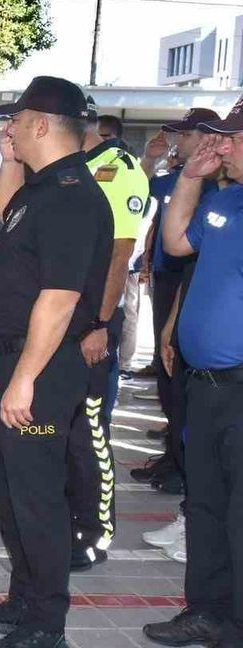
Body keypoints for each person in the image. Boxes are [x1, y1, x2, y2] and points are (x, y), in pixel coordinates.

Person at [0, 76, 112, 648]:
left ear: (43, 124)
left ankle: (47, 628)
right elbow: (8, 217)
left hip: (39, 368)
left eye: (18, 121)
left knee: (38, 498)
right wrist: (7, 159)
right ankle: (24, 600)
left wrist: (24, 378)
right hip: (9, 361)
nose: (10, 129)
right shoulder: (41, 188)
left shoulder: (73, 195)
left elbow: (60, 298)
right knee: (9, 491)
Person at [141, 98, 243, 648]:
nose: (220, 145)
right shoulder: (225, 200)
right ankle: (207, 610)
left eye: (233, 138)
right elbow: (177, 242)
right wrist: (189, 179)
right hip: (205, 386)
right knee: (205, 505)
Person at [63, 99, 150, 571]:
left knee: (89, 430)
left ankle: (94, 533)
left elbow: (121, 252)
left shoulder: (118, 168)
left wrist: (100, 323)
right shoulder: (68, 167)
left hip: (94, 320)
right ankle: (67, 519)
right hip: (64, 315)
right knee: (64, 428)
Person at [134, 108, 222, 494]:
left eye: (184, 135)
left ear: (205, 138)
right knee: (168, 374)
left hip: (188, 280)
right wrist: (149, 160)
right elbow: (139, 195)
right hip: (166, 277)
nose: (177, 141)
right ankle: (172, 456)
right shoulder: (177, 177)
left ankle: (182, 465)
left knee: (181, 377)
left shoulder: (212, 187)